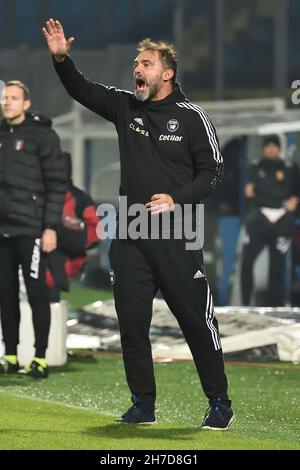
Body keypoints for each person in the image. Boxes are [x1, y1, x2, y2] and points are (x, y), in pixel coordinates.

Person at [43, 19, 234, 430]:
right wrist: (62, 60)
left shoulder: (191, 116)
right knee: (131, 323)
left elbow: (213, 171)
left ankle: (220, 402)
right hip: (130, 231)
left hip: (178, 230)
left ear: (166, 73)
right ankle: (142, 405)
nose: (137, 70)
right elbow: (83, 89)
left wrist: (176, 198)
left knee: (196, 322)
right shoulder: (125, 105)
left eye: (145, 63)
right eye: (135, 64)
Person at [0, 81, 67, 378]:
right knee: (5, 294)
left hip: (32, 228)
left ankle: (39, 358)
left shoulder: (43, 136)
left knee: (37, 290)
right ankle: (11, 355)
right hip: (2, 229)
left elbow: (57, 185)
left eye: (14, 98)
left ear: (26, 104)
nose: (7, 102)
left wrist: (50, 227)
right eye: (4, 98)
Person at [241, 135, 300, 306]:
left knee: (277, 265)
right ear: (263, 148)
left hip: (282, 222)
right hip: (259, 220)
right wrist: (280, 202)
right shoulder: (254, 167)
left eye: (274, 145)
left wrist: (286, 202)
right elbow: (250, 194)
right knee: (247, 261)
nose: (271, 148)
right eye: (268, 145)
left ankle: (274, 305)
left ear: (279, 148)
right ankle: (245, 303)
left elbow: (293, 195)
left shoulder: (289, 168)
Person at [46, 151, 101, 302]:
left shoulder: (78, 198)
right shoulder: (78, 196)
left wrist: (66, 236)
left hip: (60, 263)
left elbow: (95, 234)